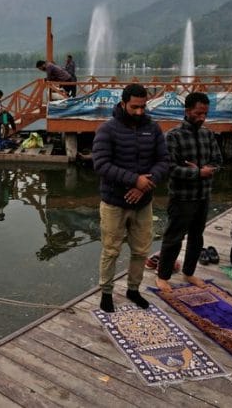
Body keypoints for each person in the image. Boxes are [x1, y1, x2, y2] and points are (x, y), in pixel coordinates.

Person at [92, 83, 170, 312]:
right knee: (111, 250)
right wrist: (134, 180)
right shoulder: (107, 129)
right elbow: (101, 164)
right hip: (114, 202)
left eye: (143, 107)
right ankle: (106, 292)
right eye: (134, 107)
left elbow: (164, 161)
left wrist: (144, 185)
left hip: (143, 202)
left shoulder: (153, 128)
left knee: (141, 250)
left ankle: (133, 289)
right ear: (123, 103)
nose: (139, 112)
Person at [155, 92, 223, 293]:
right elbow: (169, 168)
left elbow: (218, 162)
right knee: (174, 238)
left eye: (205, 113)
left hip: (203, 196)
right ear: (187, 111)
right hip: (182, 197)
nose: (202, 117)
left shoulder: (208, 134)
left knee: (197, 237)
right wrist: (197, 172)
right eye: (198, 113)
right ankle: (163, 276)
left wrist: (209, 170)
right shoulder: (173, 136)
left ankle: (189, 271)